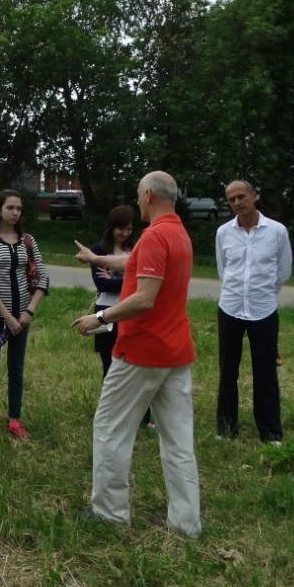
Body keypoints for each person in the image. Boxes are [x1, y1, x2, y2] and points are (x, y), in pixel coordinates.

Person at [72, 171, 200, 538]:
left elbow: (144, 298)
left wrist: (99, 317)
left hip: (141, 351)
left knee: (110, 429)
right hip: (176, 353)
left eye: (138, 194)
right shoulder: (176, 233)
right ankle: (186, 523)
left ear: (147, 196)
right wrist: (95, 259)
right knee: (178, 440)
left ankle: (109, 514)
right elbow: (135, 263)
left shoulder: (157, 235)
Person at [215, 180, 293, 444]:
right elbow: (223, 270)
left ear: (254, 196)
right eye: (231, 199)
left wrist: (264, 292)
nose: (237, 203)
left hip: (263, 310)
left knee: (266, 373)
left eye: (241, 196)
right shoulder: (223, 233)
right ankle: (226, 429)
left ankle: (270, 433)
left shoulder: (277, 231)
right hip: (230, 308)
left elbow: (284, 270)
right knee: (227, 370)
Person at [0, 189, 49, 440]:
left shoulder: (28, 241)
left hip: (23, 317)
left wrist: (29, 312)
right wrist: (8, 317)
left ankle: (14, 420)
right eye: (10, 208)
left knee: (16, 369)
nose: (15, 212)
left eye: (18, 208)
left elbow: (43, 277)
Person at [80, 206, 155, 432]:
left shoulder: (136, 250)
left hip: (132, 313)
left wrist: (124, 279)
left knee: (139, 366)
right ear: (111, 228)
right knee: (110, 367)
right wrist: (130, 280)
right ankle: (111, 415)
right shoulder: (98, 251)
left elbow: (143, 283)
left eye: (129, 228)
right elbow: (102, 284)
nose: (125, 233)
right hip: (105, 313)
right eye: (121, 228)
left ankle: (144, 418)